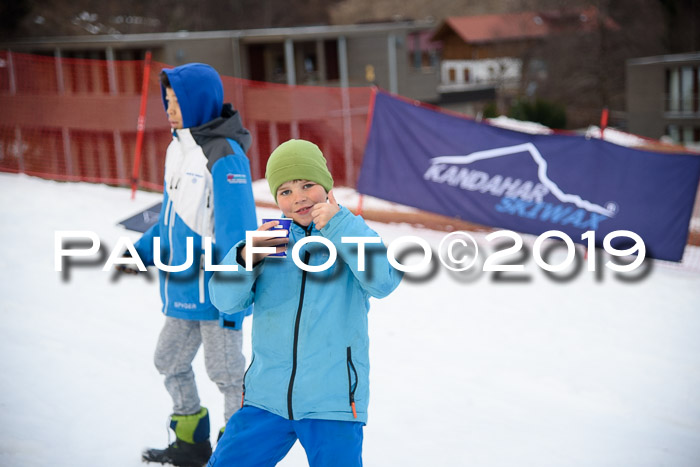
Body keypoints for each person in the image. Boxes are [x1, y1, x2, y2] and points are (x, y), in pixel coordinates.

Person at [207, 139, 403, 466]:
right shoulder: (269, 241)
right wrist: (244, 256)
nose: (298, 197)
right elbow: (225, 301)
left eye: (307, 185)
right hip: (265, 399)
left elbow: (383, 282)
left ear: (326, 186)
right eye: (285, 191)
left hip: (333, 402)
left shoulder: (349, 234)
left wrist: (341, 225)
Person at [121, 63, 257, 467]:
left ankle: (236, 454)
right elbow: (170, 217)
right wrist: (142, 251)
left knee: (228, 376)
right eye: (167, 101)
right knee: (170, 361)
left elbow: (240, 231)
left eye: (177, 101)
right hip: (181, 289)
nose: (170, 108)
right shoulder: (178, 149)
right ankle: (192, 445)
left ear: (200, 101)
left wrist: (237, 290)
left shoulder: (224, 155)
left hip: (217, 294)